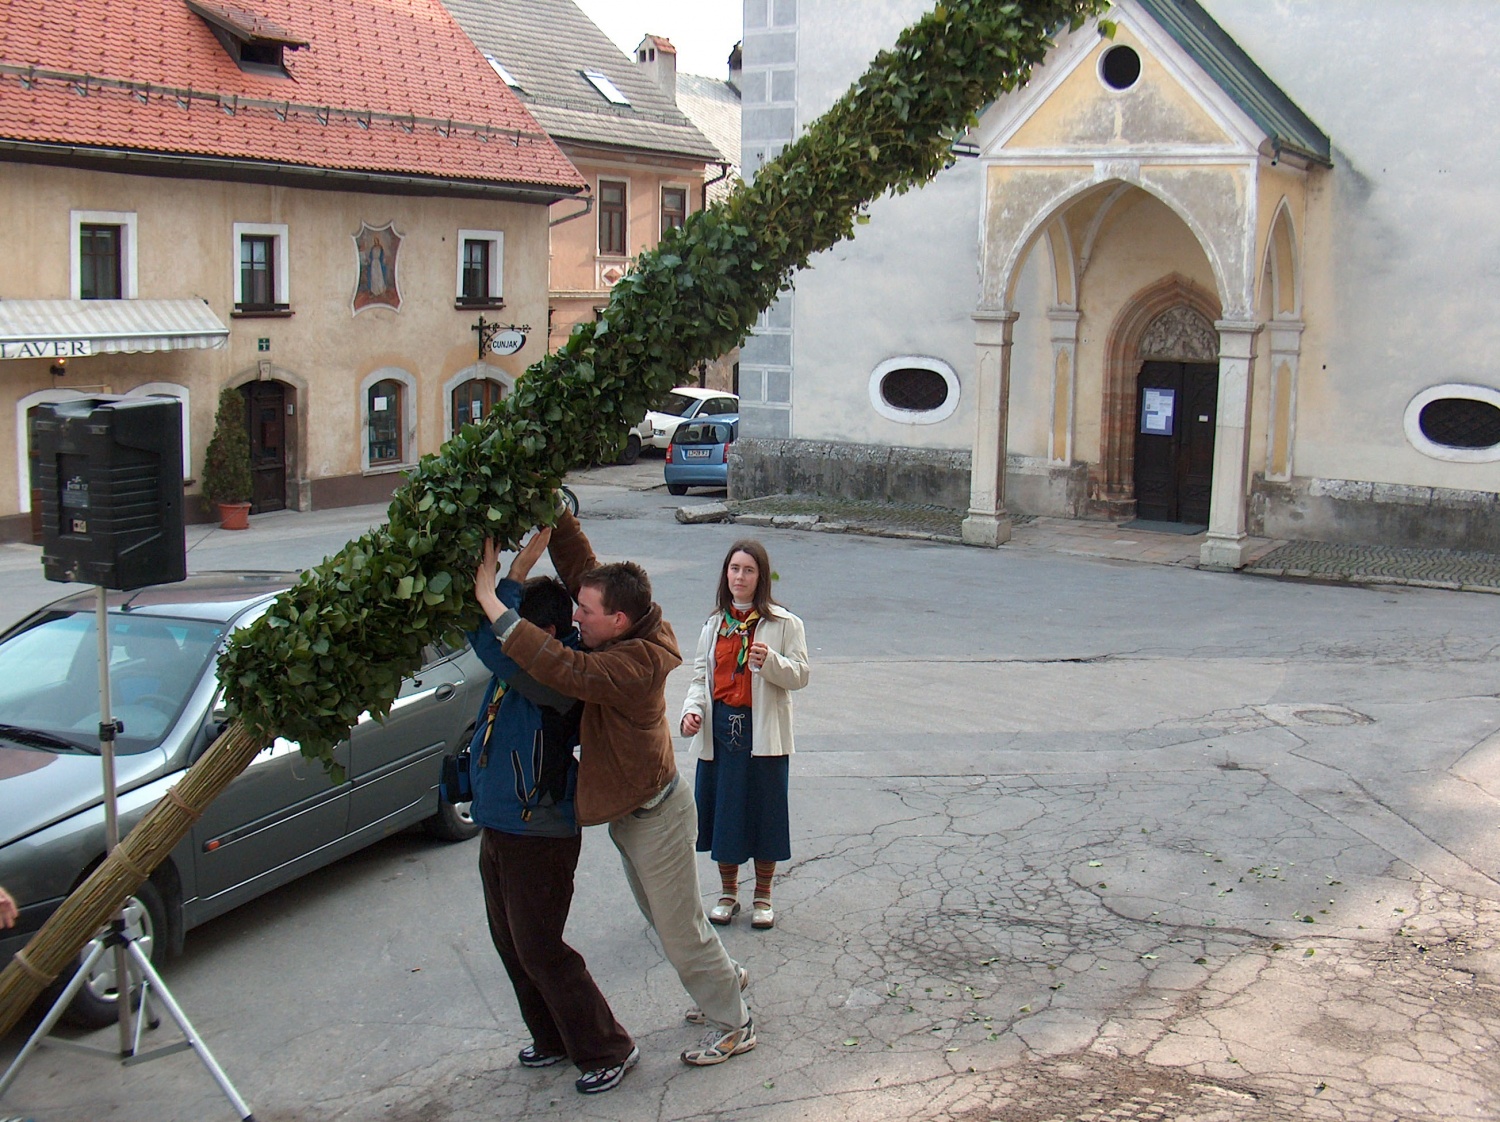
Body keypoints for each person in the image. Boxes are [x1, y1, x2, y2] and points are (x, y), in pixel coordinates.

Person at [477, 509, 755, 1067]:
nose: (576, 614)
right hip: (633, 813)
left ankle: (734, 1022)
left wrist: (494, 604)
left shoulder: (630, 666)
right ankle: (724, 978)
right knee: (671, 920)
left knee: (677, 932)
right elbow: (584, 568)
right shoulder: (621, 618)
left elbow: (562, 668)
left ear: (619, 620)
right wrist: (556, 510)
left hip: (657, 814)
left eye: (585, 610)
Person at [469, 530, 638, 1095]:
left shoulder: (555, 672)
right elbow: (500, 637)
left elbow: (492, 639)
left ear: (541, 635)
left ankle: (608, 1047)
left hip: (538, 830)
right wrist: (514, 573)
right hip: (500, 824)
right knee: (511, 943)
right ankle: (552, 1037)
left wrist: (498, 585)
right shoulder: (528, 659)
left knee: (541, 947)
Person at [680, 540, 809, 932]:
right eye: (734, 569)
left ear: (761, 577)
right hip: (722, 733)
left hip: (763, 733)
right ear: (726, 575)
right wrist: (692, 710)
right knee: (725, 814)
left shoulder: (784, 623)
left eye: (748, 570)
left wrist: (770, 662)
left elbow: (801, 674)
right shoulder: (714, 624)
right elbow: (700, 679)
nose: (740, 577)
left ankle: (764, 895)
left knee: (764, 812)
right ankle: (727, 893)